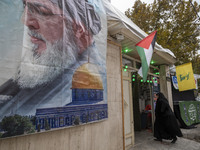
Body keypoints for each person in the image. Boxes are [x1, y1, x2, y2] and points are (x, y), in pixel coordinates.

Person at [0, 0, 106, 120]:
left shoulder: (85, 75)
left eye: (41, 11)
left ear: (79, 27)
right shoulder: (34, 73)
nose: (25, 20)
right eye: (25, 6)